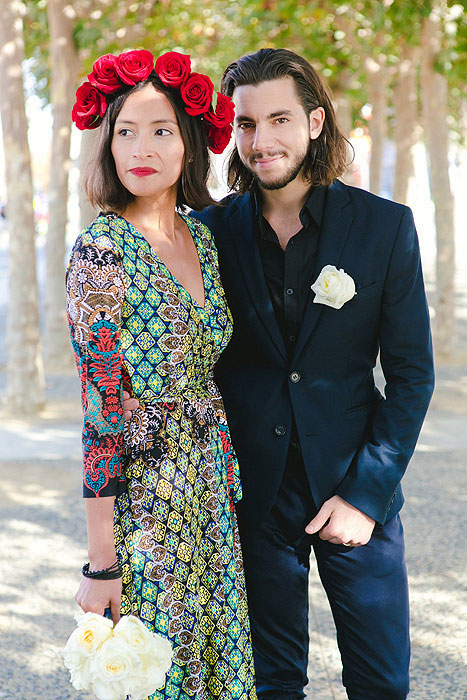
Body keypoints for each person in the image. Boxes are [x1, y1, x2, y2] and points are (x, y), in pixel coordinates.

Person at [126, 47, 434, 700]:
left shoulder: (385, 228)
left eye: (279, 120)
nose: (260, 141)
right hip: (251, 497)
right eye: (245, 124)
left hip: (355, 488)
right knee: (270, 683)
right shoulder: (206, 235)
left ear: (315, 123)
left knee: (383, 680)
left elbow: (410, 376)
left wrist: (365, 495)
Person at [66, 49, 256, 700]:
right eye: (125, 131)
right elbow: (99, 411)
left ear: (191, 144)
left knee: (216, 666)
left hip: (208, 495)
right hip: (144, 511)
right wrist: (102, 562)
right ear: (107, 146)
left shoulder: (201, 238)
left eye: (160, 130)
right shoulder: (99, 250)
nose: (140, 147)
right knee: (160, 678)